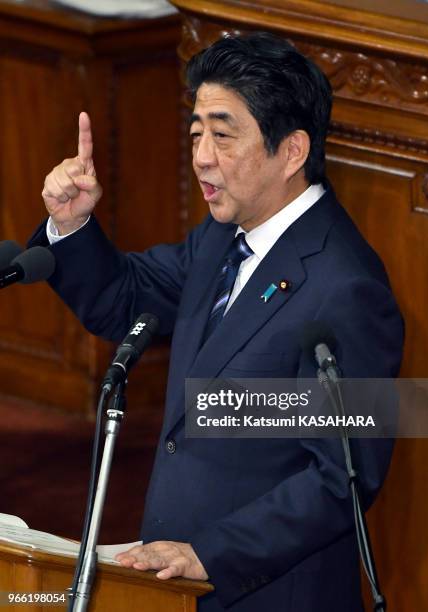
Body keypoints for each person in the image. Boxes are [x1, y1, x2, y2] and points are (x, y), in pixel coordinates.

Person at [29, 32, 403, 612]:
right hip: (179, 585)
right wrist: (72, 226)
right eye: (197, 131)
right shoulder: (223, 237)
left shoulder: (347, 288)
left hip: (268, 591)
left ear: (292, 151)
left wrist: (210, 553)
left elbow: (341, 479)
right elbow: (125, 299)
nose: (202, 155)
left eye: (223, 136)